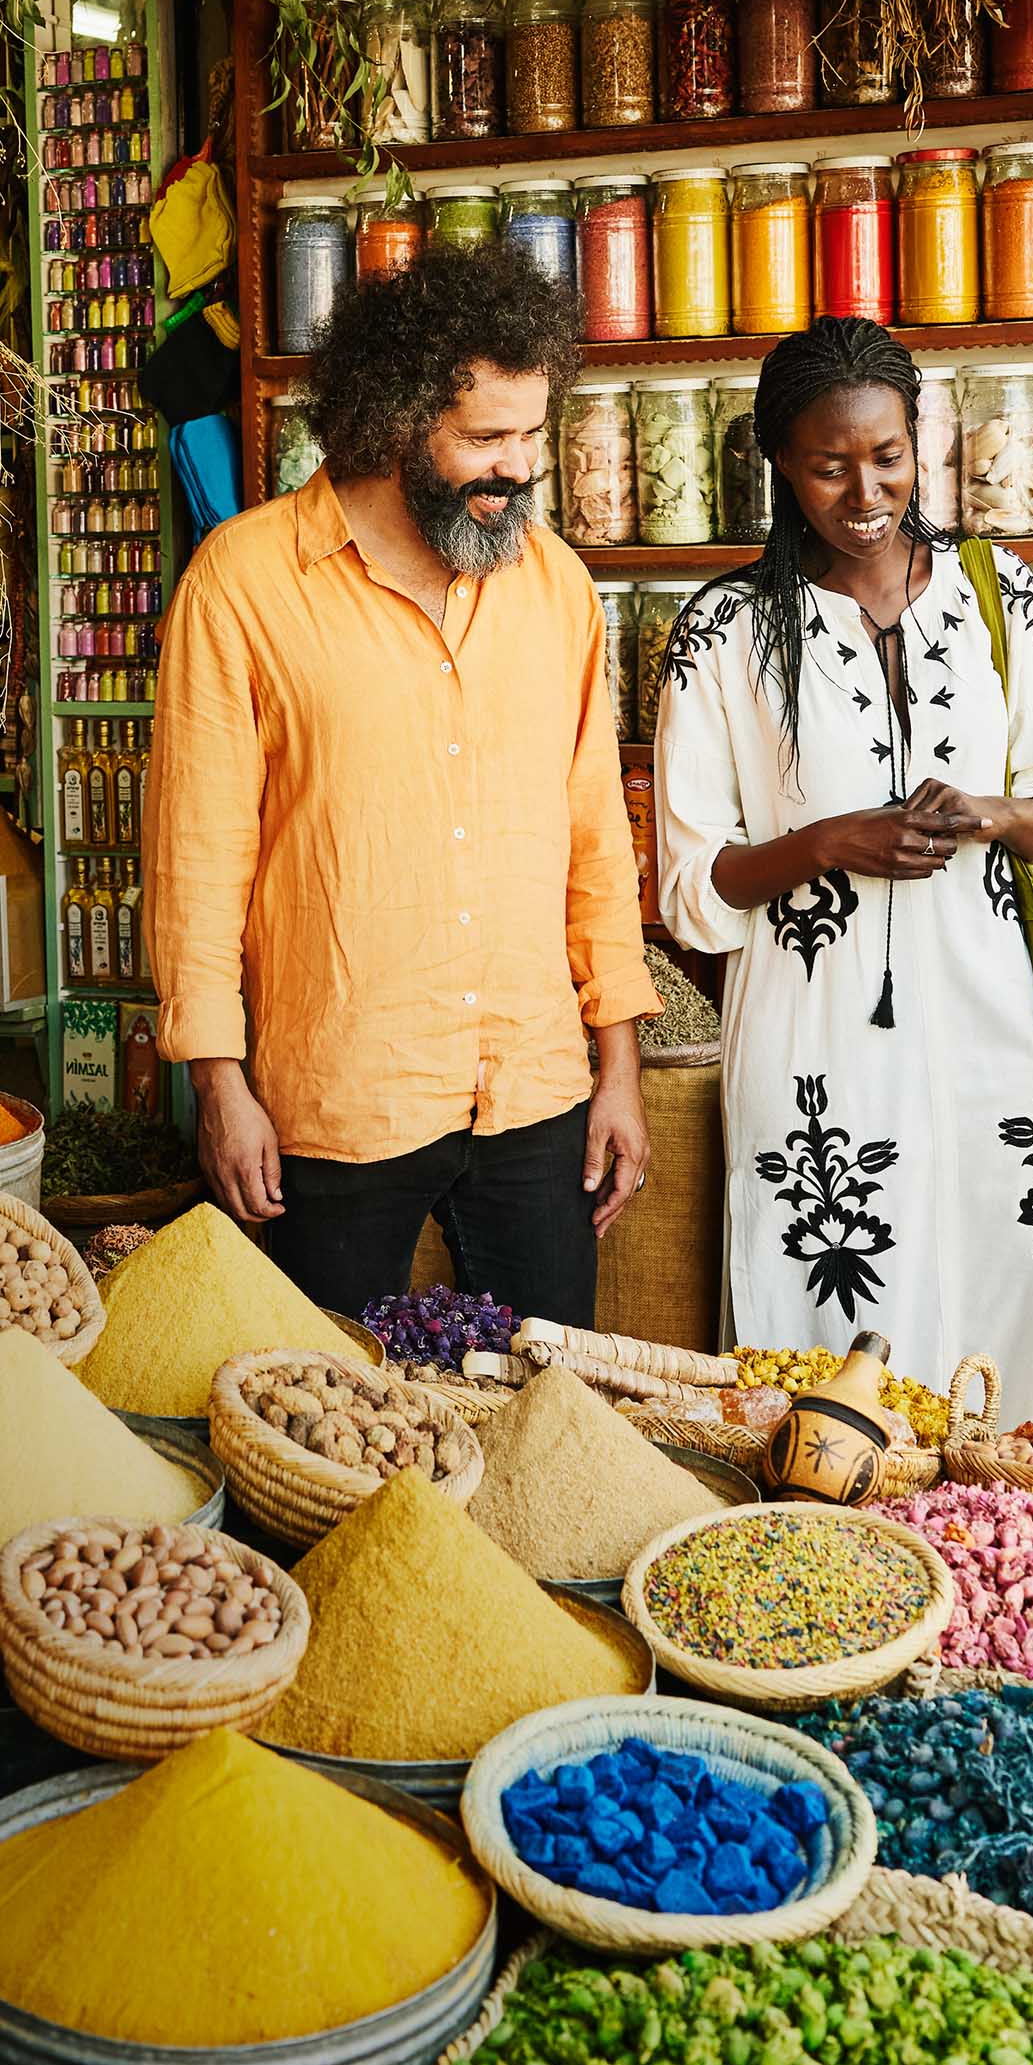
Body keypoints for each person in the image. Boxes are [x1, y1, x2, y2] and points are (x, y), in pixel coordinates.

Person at [146, 241, 655, 1323]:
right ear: (392, 416)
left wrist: (618, 1065)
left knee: (542, 1420)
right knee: (327, 1425)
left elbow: (593, 838)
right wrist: (217, 1081)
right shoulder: (242, 584)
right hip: (336, 1098)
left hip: (533, 1089)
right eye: (483, 438)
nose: (518, 466)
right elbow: (196, 859)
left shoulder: (555, 584)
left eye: (532, 433)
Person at [653, 320, 1033, 1416]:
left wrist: (1001, 811)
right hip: (812, 1042)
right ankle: (828, 1549)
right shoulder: (720, 631)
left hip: (986, 1036)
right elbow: (687, 883)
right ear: (778, 461)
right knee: (815, 1332)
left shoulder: (1001, 592)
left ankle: (977, 1550)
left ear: (921, 445)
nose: (865, 490)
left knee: (989, 1314)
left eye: (888, 456)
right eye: (829, 463)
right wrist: (827, 843)